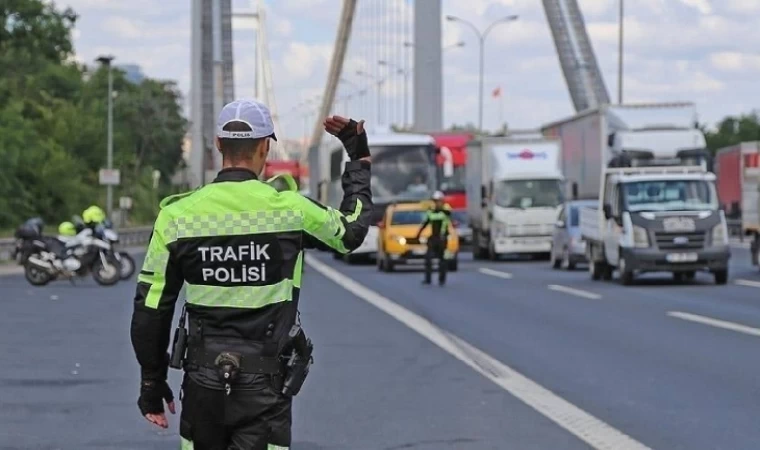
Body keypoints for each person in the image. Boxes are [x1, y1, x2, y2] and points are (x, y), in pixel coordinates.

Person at [130, 98, 373, 449]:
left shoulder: (177, 217)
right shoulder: (290, 210)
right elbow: (351, 232)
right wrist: (358, 160)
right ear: (265, 146)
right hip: (266, 386)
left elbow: (151, 309)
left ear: (218, 145)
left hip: (203, 384)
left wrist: (151, 383)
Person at [415, 190, 453, 286]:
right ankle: (428, 279)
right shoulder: (431, 212)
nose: (437, 203)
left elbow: (449, 213)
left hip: (442, 238)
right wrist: (418, 235)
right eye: (435, 201)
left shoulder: (446, 211)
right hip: (433, 238)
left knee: (442, 261)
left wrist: (442, 208)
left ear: (442, 201)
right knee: (428, 259)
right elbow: (425, 224)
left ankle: (442, 279)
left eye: (438, 201)